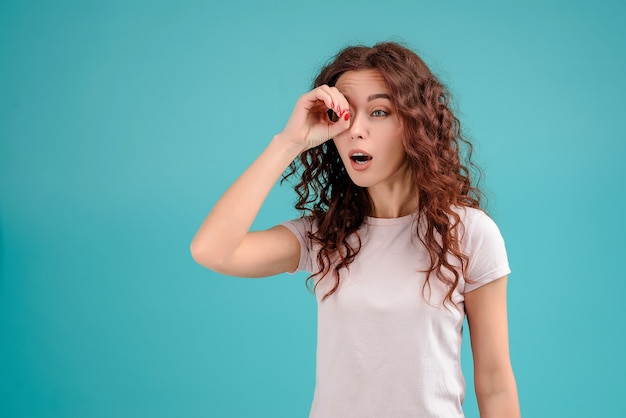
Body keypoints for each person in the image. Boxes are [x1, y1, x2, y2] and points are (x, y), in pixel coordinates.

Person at [190, 41, 520, 417]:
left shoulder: (469, 234)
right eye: (345, 114)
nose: (356, 130)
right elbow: (211, 250)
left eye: (379, 112)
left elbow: (494, 384)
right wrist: (287, 143)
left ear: (416, 123)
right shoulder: (324, 237)